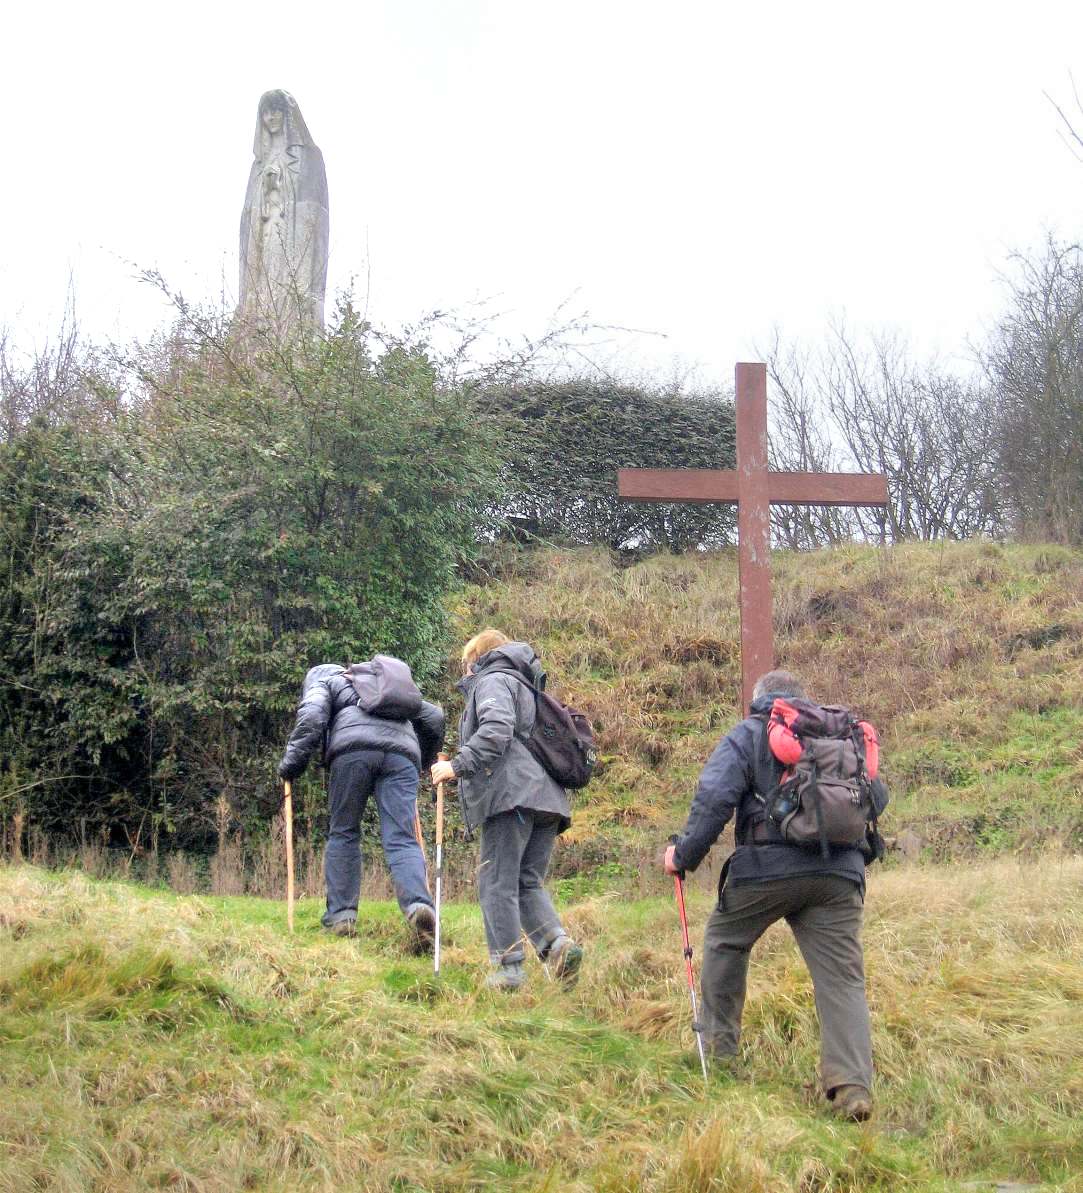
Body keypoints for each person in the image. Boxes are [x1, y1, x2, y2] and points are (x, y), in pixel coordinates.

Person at [662, 669, 879, 1122]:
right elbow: (875, 796)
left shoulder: (749, 734)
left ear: (759, 702)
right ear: (803, 701)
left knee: (727, 942)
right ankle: (852, 1087)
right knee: (842, 979)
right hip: (838, 872)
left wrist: (683, 856)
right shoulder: (837, 740)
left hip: (765, 869)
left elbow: (714, 798)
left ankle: (720, 1058)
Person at [430, 629, 583, 990]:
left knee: (496, 882)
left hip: (512, 797)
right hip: (547, 801)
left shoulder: (494, 680)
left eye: (466, 665)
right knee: (525, 881)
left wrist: (457, 765)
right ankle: (557, 945)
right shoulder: (528, 686)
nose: (465, 673)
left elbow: (497, 730)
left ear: (476, 659)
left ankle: (508, 970)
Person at [276, 656, 444, 948]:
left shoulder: (327, 681)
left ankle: (342, 917)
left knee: (344, 832)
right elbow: (434, 718)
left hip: (352, 753)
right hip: (402, 755)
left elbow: (313, 718)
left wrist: (292, 765)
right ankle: (419, 907)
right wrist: (423, 762)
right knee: (403, 839)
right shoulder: (386, 685)